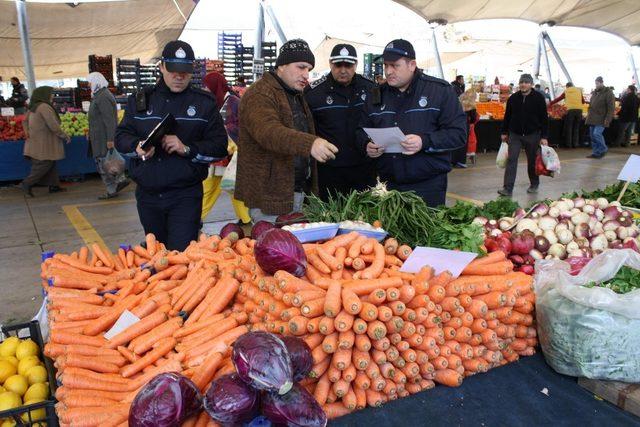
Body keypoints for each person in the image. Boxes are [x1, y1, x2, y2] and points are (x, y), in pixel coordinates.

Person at [115, 40, 228, 250]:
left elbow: (219, 146)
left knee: (182, 254)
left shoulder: (204, 104)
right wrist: (137, 146)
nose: (179, 76)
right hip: (148, 196)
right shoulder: (140, 101)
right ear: (161, 67)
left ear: (192, 70)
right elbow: (121, 136)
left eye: (184, 72)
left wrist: (187, 148)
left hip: (185, 195)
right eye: (173, 70)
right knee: (157, 254)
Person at [235, 39, 338, 221]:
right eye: (301, 67)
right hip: (271, 197)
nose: (306, 74)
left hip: (296, 192)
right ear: (281, 65)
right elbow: (268, 132)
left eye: (308, 69)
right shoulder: (260, 94)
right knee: (275, 246)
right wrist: (310, 143)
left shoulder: (294, 94)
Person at [357, 39, 467, 207]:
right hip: (388, 186)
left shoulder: (440, 91)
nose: (388, 71)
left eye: (394, 65)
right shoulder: (376, 95)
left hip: (428, 186)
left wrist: (424, 141)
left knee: (428, 232)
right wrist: (366, 145)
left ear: (412, 64)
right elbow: (360, 130)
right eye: (386, 66)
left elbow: (458, 134)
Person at [304, 43, 376, 200]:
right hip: (329, 171)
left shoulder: (371, 88)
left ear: (356, 64)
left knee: (364, 219)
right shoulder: (314, 93)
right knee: (331, 218)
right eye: (338, 65)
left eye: (348, 65)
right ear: (330, 64)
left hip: (364, 168)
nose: (343, 70)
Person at [200, 71, 250, 224]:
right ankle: (246, 218)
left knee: (230, 187)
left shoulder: (233, 102)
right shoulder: (217, 101)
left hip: (232, 156)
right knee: (224, 187)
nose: (204, 89)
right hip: (221, 156)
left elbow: (243, 127)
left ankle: (247, 219)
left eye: (207, 86)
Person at [497, 73, 548, 197]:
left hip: (533, 134)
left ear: (531, 84)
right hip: (515, 134)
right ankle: (508, 188)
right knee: (511, 160)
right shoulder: (513, 98)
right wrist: (504, 132)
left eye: (526, 82)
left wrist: (544, 136)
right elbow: (507, 116)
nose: (523, 84)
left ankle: (534, 183)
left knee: (532, 161)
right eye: (521, 82)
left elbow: (544, 118)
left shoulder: (538, 98)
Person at [87, 72, 130, 200]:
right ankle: (119, 181)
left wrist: (110, 139)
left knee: (104, 163)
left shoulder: (103, 97)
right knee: (105, 162)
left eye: (90, 82)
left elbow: (109, 120)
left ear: (96, 81)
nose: (88, 85)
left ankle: (113, 188)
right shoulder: (99, 95)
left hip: (103, 138)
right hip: (99, 136)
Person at [21, 86, 70, 197]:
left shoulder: (34, 106)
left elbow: (24, 121)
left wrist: (27, 132)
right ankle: (27, 183)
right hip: (44, 142)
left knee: (50, 161)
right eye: (51, 93)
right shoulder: (44, 107)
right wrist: (64, 135)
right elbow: (53, 125)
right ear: (44, 95)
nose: (52, 95)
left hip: (37, 141)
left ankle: (54, 185)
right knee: (44, 163)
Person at [585, 76, 615, 159]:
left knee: (596, 134)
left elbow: (611, 108)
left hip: (602, 118)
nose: (596, 85)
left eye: (597, 83)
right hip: (592, 118)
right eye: (595, 83)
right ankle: (596, 153)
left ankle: (603, 149)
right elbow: (591, 105)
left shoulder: (609, 93)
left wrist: (608, 119)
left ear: (602, 83)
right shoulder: (594, 92)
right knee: (592, 136)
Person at [549, 82, 585, 148]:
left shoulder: (567, 91)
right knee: (576, 128)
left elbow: (558, 99)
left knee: (569, 127)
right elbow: (583, 101)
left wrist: (550, 103)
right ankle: (576, 144)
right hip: (579, 110)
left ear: (567, 86)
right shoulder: (579, 91)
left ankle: (569, 144)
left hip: (570, 110)